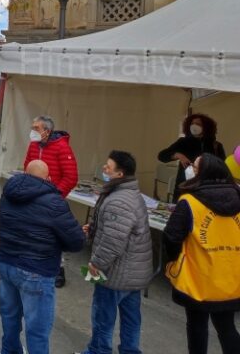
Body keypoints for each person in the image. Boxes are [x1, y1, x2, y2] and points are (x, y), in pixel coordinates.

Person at [0, 160, 85, 354]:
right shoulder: (54, 202)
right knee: (37, 329)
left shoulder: (8, 193)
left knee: (9, 317)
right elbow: (76, 242)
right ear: (48, 178)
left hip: (6, 261)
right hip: (36, 270)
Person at [163, 153, 240, 354]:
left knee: (197, 326)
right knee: (226, 327)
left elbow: (172, 236)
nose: (190, 169)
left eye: (195, 167)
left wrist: (173, 260)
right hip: (231, 277)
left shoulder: (189, 201)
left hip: (198, 276)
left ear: (203, 173)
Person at [77, 150, 152, 354]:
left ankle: (98, 350)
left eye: (108, 167)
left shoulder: (119, 201)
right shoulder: (128, 194)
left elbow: (113, 241)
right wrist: (94, 228)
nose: (104, 168)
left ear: (120, 174)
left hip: (115, 274)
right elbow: (118, 230)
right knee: (131, 319)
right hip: (132, 273)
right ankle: (129, 350)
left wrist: (96, 264)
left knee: (103, 318)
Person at [23, 114, 78, 287]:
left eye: (36, 128)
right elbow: (27, 167)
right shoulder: (33, 145)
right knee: (31, 232)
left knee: (52, 235)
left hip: (50, 200)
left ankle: (58, 270)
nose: (33, 131)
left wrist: (55, 195)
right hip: (33, 198)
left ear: (46, 131)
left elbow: (71, 177)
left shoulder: (62, 148)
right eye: (32, 128)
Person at [158, 113, 226, 195]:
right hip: (185, 187)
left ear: (206, 127)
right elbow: (162, 156)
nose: (193, 126)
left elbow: (223, 166)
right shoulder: (183, 142)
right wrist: (178, 155)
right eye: (192, 123)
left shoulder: (216, 145)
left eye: (198, 124)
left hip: (207, 189)